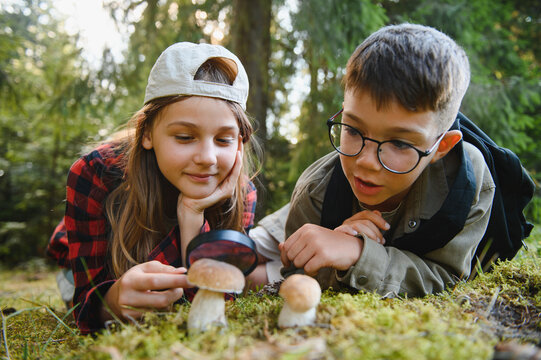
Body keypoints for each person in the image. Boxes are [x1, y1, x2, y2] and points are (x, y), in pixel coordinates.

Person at [46, 42, 261, 334]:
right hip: (79, 262)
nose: (207, 158)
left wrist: (192, 216)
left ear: (240, 141)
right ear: (146, 133)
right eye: (185, 137)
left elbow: (216, 297)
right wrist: (111, 302)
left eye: (223, 140)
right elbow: (84, 302)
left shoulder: (241, 193)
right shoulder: (95, 172)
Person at [277, 23, 496, 296]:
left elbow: (448, 278)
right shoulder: (316, 191)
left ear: (442, 147)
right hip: (306, 211)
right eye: (353, 130)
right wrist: (332, 244)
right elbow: (294, 277)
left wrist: (359, 255)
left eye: (400, 143)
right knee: (256, 252)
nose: (367, 162)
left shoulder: (466, 184)